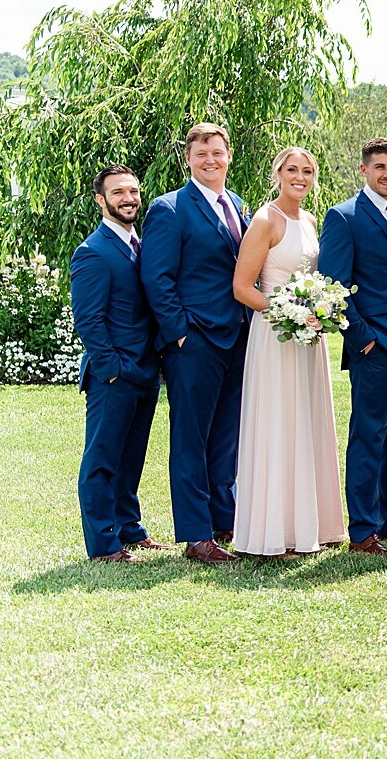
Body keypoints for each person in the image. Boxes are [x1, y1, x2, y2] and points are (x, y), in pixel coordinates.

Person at [141, 123, 251, 564]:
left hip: (237, 337)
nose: (211, 160)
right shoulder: (169, 209)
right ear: (189, 158)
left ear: (229, 157)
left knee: (225, 438)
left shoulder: (239, 206)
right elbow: (157, 277)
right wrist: (181, 332)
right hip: (195, 341)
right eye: (202, 153)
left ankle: (225, 520)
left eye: (218, 153)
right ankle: (196, 535)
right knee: (190, 439)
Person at [230, 147, 347, 558]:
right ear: (277, 173)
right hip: (276, 335)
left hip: (308, 337)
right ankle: (273, 529)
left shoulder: (310, 220)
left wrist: (317, 310)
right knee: (279, 422)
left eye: (308, 171)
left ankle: (313, 523)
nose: (301, 177)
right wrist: (288, 311)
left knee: (307, 421)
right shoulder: (265, 220)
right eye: (293, 169)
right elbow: (243, 287)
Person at [319, 138, 387, 555]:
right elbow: (334, 288)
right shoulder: (344, 217)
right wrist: (363, 340)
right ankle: (362, 528)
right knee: (369, 434)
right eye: (380, 166)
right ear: (363, 170)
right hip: (375, 346)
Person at [71, 165, 167, 562]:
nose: (128, 199)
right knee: (102, 459)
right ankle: (103, 543)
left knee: (131, 458)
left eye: (132, 191)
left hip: (146, 372)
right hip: (114, 376)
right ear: (101, 200)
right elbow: (88, 321)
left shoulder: (141, 245)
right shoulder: (92, 252)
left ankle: (129, 528)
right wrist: (113, 368)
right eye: (118, 193)